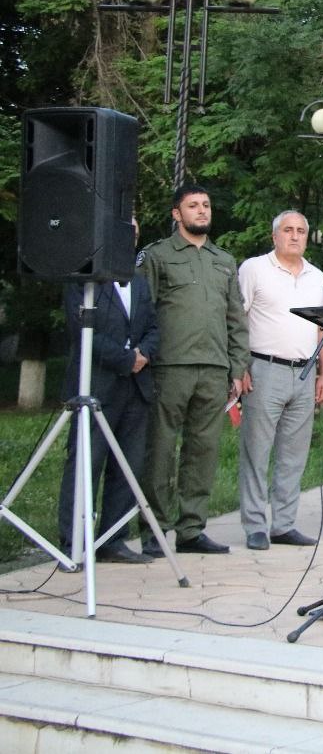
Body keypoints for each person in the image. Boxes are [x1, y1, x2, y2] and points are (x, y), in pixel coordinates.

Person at [138, 185, 250, 555]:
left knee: (203, 451)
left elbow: (236, 318)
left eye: (206, 204)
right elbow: (143, 311)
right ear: (176, 214)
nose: (202, 211)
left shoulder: (224, 260)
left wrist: (237, 367)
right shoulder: (158, 256)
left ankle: (191, 530)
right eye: (193, 206)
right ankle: (154, 528)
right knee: (161, 449)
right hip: (170, 366)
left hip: (214, 368)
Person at [57, 217, 158, 565]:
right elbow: (81, 330)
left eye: (133, 229)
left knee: (127, 466)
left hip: (137, 388)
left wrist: (143, 354)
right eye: (120, 229)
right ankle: (74, 542)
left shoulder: (140, 283)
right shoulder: (84, 278)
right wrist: (125, 358)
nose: (127, 235)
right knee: (87, 462)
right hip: (98, 383)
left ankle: (113, 540)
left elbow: (155, 327)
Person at [237, 210, 323, 552]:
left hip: (305, 372)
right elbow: (237, 319)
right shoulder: (254, 269)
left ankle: (284, 524)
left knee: (294, 454)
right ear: (274, 235)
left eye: (301, 231)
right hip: (264, 368)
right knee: (257, 451)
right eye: (288, 230)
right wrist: (239, 367)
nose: (295, 236)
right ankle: (255, 525)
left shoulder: (315, 276)